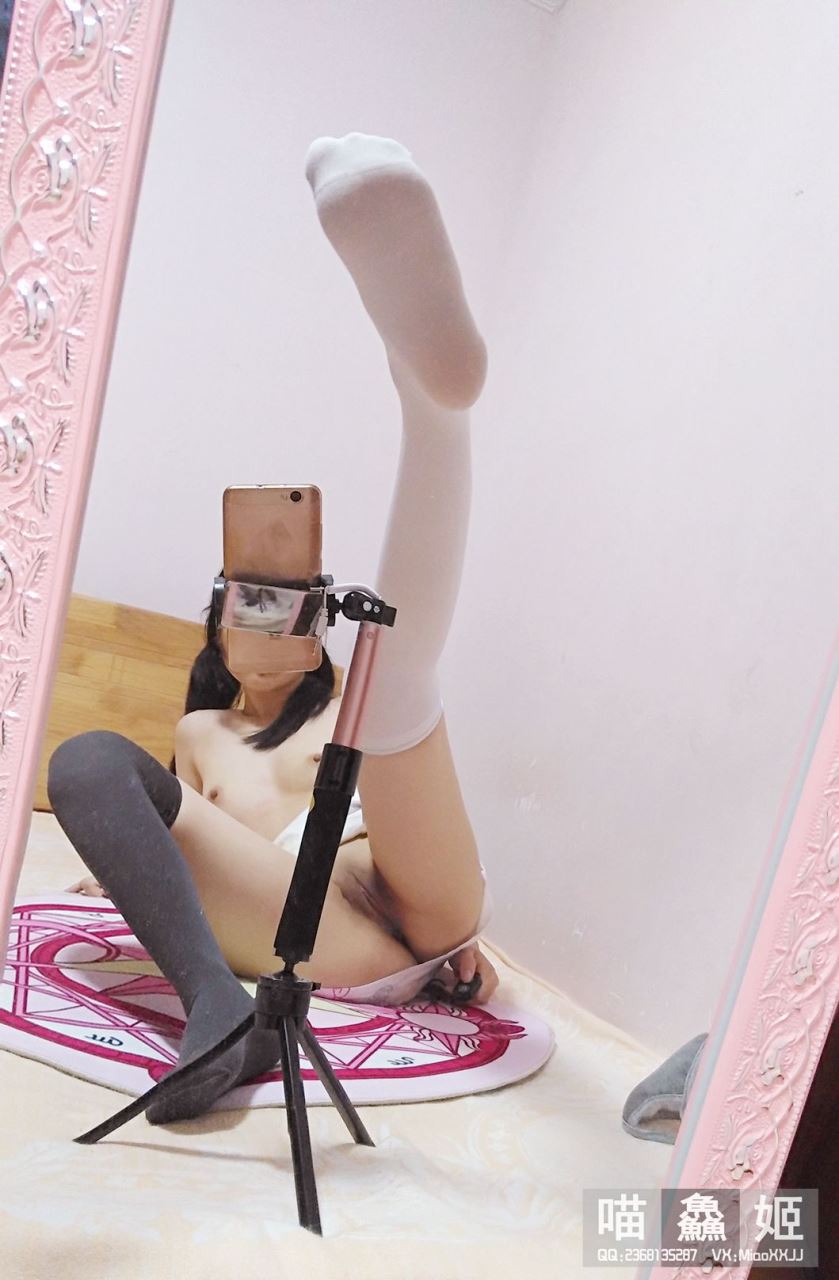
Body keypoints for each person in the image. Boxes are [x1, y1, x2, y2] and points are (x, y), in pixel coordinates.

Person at [48, 133, 498, 1125]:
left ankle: (432, 403)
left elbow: (416, 803)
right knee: (85, 760)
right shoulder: (199, 734)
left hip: (415, 892)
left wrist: (476, 945)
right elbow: (182, 842)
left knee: (394, 679)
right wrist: (121, 860)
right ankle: (218, 1008)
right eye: (245, 608)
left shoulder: (342, 704)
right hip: (317, 927)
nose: (269, 624)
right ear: (216, 632)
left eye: (293, 608)